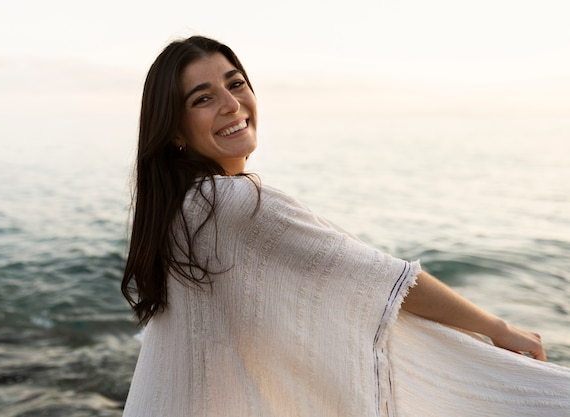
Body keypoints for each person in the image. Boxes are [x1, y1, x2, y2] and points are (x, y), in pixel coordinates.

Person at [121, 36, 570, 417]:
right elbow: (385, 281)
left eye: (235, 84)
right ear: (175, 130)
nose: (231, 104)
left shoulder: (182, 207)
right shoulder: (232, 203)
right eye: (203, 98)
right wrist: (498, 328)